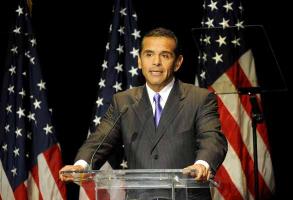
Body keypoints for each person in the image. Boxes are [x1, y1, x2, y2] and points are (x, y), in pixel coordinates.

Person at [59, 27, 228, 200]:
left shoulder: (199, 98)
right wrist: (81, 165)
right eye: (148, 54)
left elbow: (212, 139)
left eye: (165, 55)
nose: (156, 62)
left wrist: (202, 165)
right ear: (139, 61)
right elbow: (100, 139)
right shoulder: (123, 102)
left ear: (178, 62)